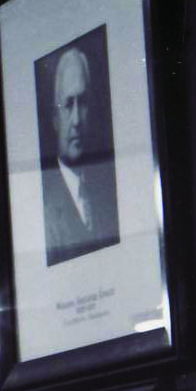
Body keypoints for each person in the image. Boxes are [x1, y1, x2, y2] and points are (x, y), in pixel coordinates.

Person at [41, 34, 121, 266]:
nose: (76, 119)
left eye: (83, 103)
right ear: (55, 118)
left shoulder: (108, 196)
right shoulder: (45, 211)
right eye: (68, 104)